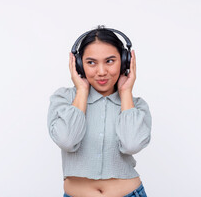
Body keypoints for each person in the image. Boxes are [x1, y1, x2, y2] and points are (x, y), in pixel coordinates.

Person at [47, 26, 152, 197]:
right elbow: (67, 140)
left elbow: (131, 145)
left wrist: (126, 92)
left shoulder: (136, 106)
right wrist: (82, 90)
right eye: (91, 63)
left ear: (125, 61)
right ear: (79, 64)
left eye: (110, 61)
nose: (101, 72)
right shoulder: (64, 99)